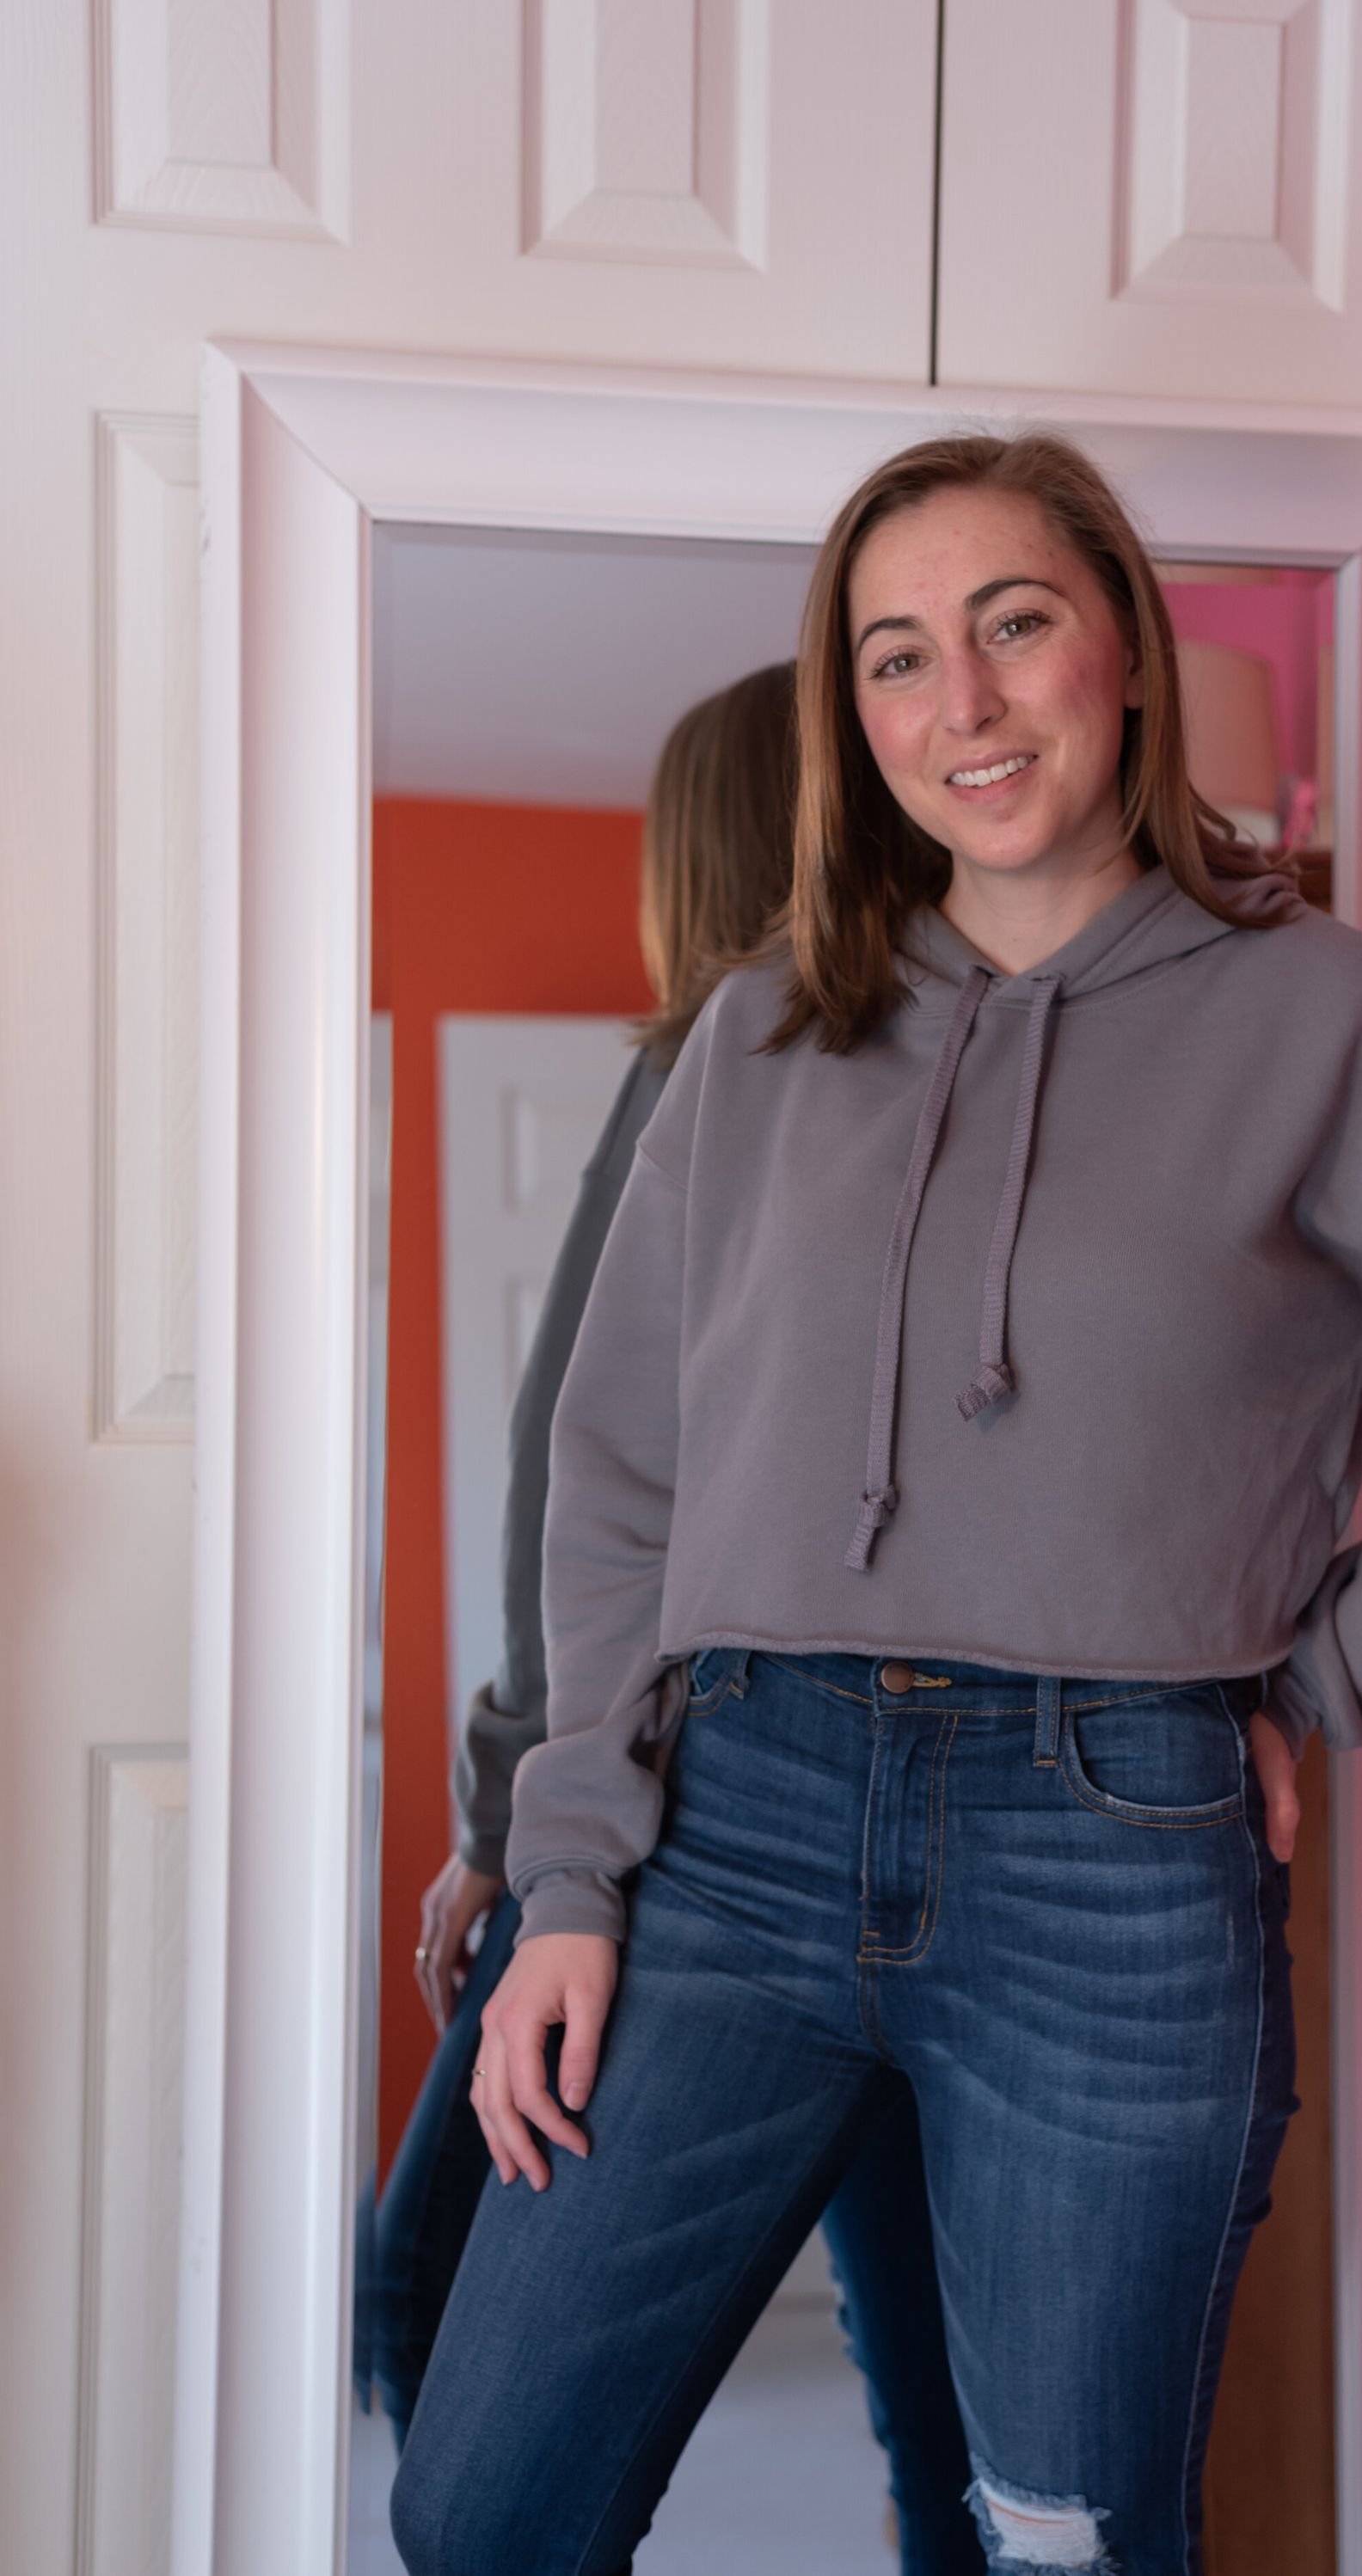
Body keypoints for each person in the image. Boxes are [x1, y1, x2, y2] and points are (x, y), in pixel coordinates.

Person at [391, 433, 1362, 2576]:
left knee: (1065, 2542)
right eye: (897, 655)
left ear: (1129, 655)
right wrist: (572, 1874)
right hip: (732, 1820)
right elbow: (619, 1478)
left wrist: (1309, 1679)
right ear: (853, 714)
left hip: (1113, 1854)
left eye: (1013, 624)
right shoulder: (757, 1036)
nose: (962, 702)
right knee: (482, 2504)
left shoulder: (1331, 1016)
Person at [377, 662, 983, 2570]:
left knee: (432, 2305)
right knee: (944, 2398)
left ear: (695, 851)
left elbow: (575, 1479)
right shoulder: (934, 1075)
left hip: (684, 1814)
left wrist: (514, 1821)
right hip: (933, 1809)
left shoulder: (707, 1069)